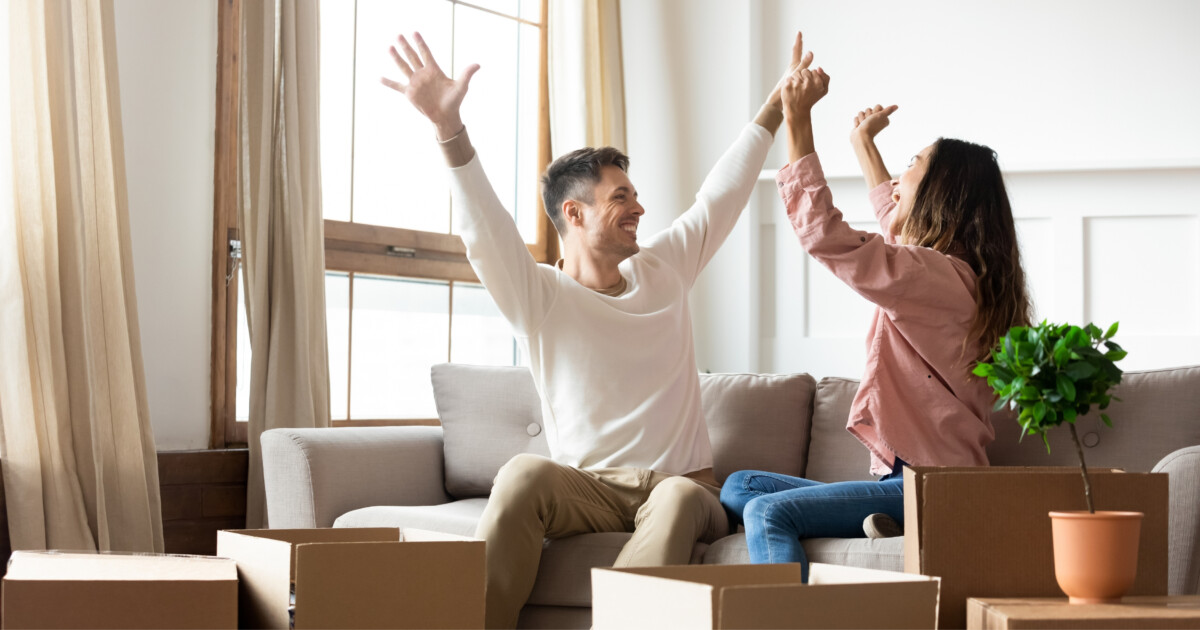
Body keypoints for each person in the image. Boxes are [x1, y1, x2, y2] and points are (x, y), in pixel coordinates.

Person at [382, 31, 809, 628]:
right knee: (523, 473)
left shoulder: (665, 268)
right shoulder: (539, 297)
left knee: (677, 496)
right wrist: (449, 129)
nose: (639, 208)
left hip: (683, 487)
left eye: (636, 196)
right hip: (590, 490)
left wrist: (775, 106)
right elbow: (486, 232)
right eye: (621, 197)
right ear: (574, 214)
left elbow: (723, 194)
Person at [720, 64, 1032, 576]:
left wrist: (798, 119)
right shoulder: (949, 273)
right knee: (741, 486)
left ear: (940, 191)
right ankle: (880, 521)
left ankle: (790, 607)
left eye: (912, 164)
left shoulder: (935, 277)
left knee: (766, 511)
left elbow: (828, 237)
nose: (898, 179)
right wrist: (862, 144)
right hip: (911, 483)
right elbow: (897, 225)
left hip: (931, 485)